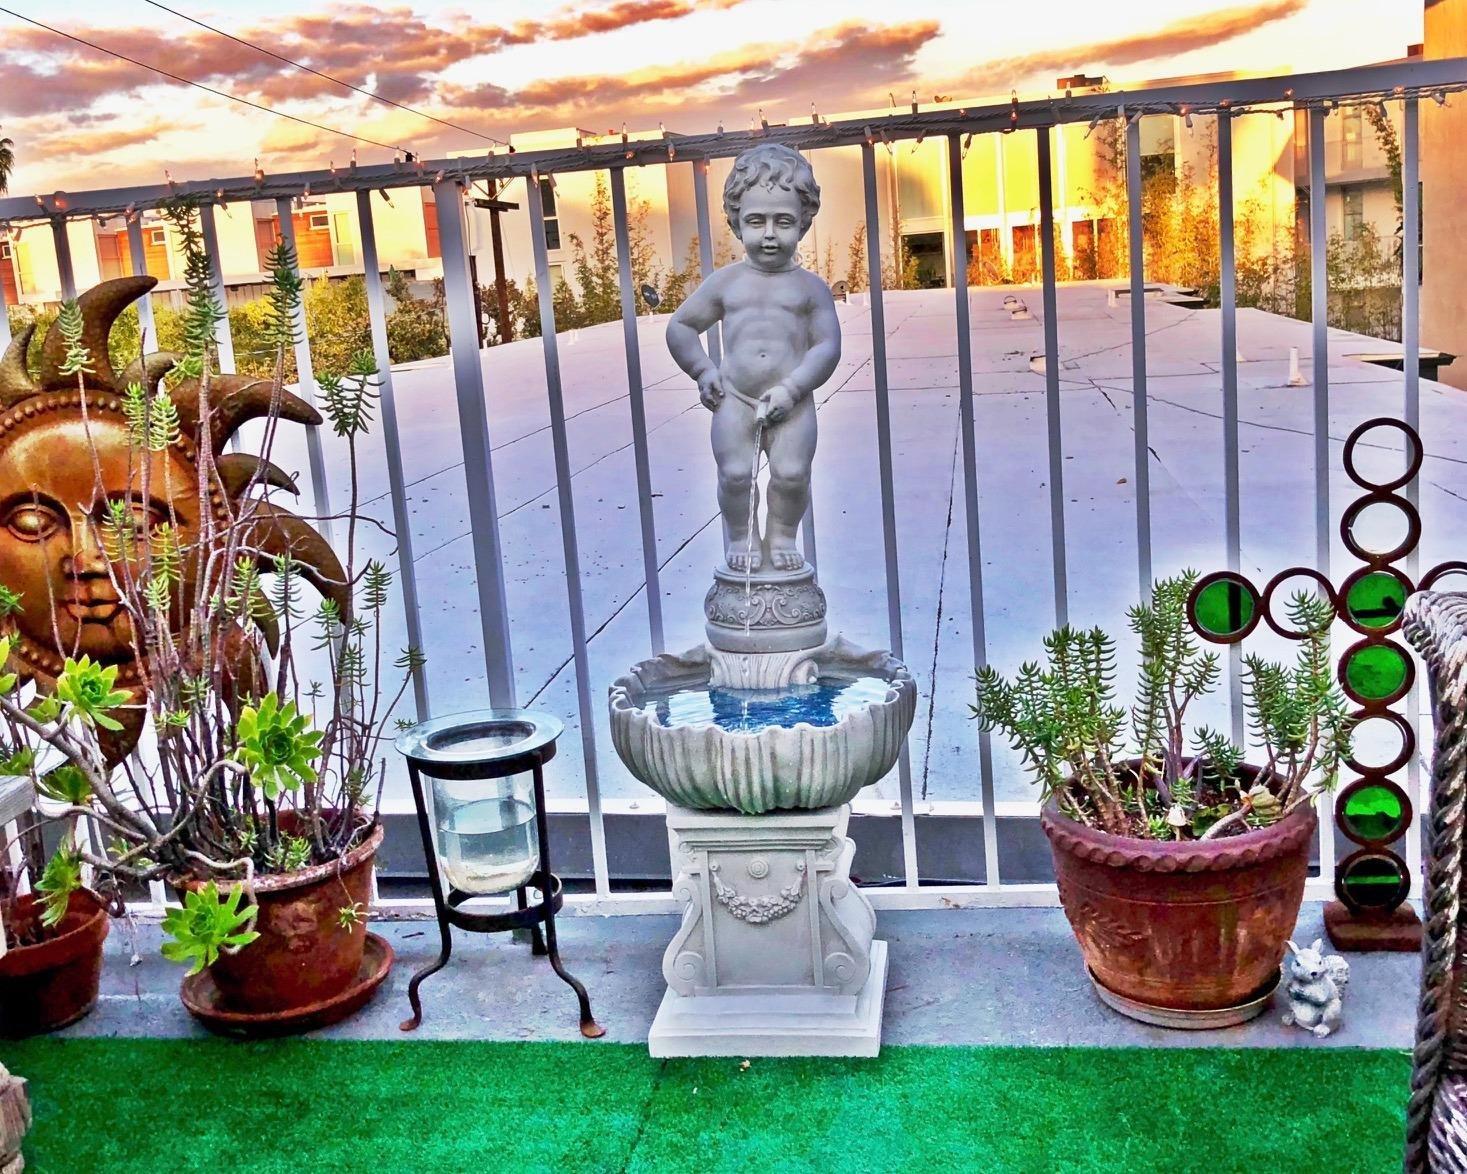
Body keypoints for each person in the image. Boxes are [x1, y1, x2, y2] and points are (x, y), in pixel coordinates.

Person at [665, 143, 841, 573]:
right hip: (735, 399)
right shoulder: (726, 283)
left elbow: (827, 346)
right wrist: (703, 370)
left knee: (792, 475)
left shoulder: (811, 288)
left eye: (784, 221)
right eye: (756, 221)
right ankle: (741, 536)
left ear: (803, 223)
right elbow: (681, 326)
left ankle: (782, 535)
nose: (769, 234)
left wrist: (793, 388)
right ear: (736, 222)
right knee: (735, 476)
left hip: (792, 402)